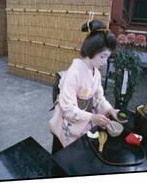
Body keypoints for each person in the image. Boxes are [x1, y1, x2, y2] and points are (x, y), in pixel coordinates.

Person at [49, 19, 126, 154]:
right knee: (63, 156)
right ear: (92, 51)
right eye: (103, 56)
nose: (105, 61)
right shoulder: (74, 72)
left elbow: (98, 98)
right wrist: (92, 117)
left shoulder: (95, 72)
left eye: (107, 57)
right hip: (68, 122)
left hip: (82, 119)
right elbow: (67, 109)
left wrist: (110, 109)